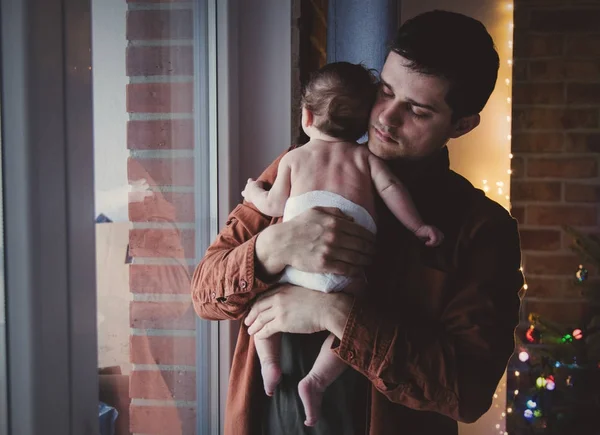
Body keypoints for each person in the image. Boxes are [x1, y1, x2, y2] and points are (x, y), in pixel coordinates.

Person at [192, 9, 524, 435]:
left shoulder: (482, 228)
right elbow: (204, 294)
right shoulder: (302, 165)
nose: (386, 117)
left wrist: (336, 312)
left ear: (461, 125)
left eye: (418, 111)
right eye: (385, 91)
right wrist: (274, 246)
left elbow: (467, 391)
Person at [241, 61, 443, 426]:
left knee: (261, 303)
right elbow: (392, 191)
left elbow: (272, 205)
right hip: (347, 272)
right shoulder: (364, 158)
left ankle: (269, 365)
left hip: (296, 269)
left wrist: (253, 190)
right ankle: (316, 381)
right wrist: (418, 227)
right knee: (357, 319)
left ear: (306, 116)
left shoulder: (294, 158)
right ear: (365, 119)